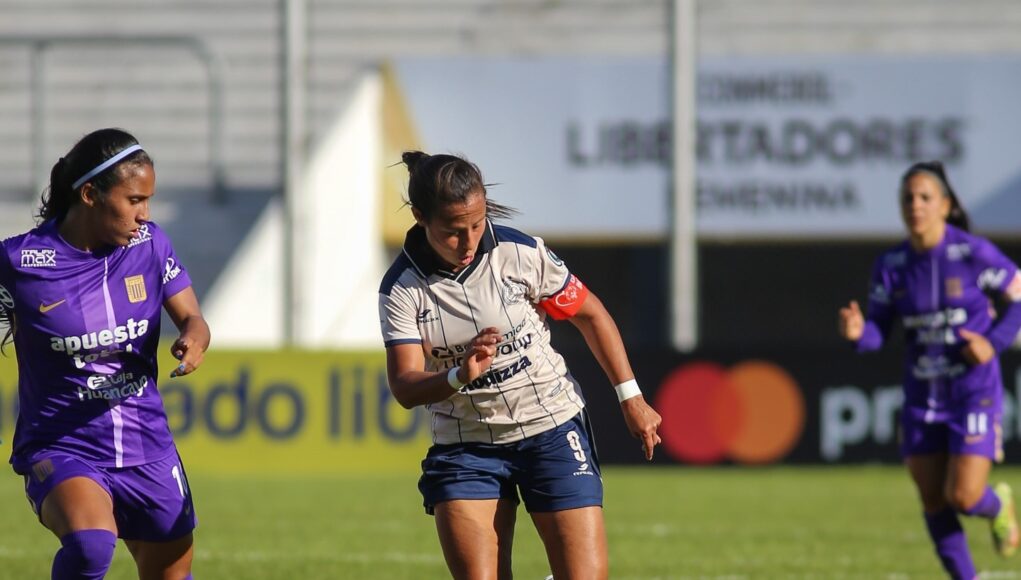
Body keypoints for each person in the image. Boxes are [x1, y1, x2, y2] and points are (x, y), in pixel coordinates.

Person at [378, 150, 662, 580]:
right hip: (465, 447)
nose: (469, 241)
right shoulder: (402, 289)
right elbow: (404, 385)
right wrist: (459, 375)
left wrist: (631, 398)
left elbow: (591, 314)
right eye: (453, 231)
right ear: (420, 217)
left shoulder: (518, 253)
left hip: (549, 427)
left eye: (476, 224)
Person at [0, 128, 209, 580]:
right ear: (90, 193)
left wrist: (194, 337)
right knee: (90, 546)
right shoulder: (21, 262)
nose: (144, 214)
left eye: (148, 200)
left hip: (147, 443)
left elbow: (194, 318)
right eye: (134, 200)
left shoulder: (150, 245)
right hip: (62, 443)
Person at [838, 160, 1021, 579]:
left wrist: (991, 343)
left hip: (973, 391)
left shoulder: (973, 254)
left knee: (963, 494)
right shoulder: (892, 264)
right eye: (908, 198)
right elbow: (879, 334)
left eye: (925, 197)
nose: (915, 205)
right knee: (933, 499)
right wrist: (858, 332)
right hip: (922, 394)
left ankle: (998, 506)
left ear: (945, 204)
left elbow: (1018, 295)